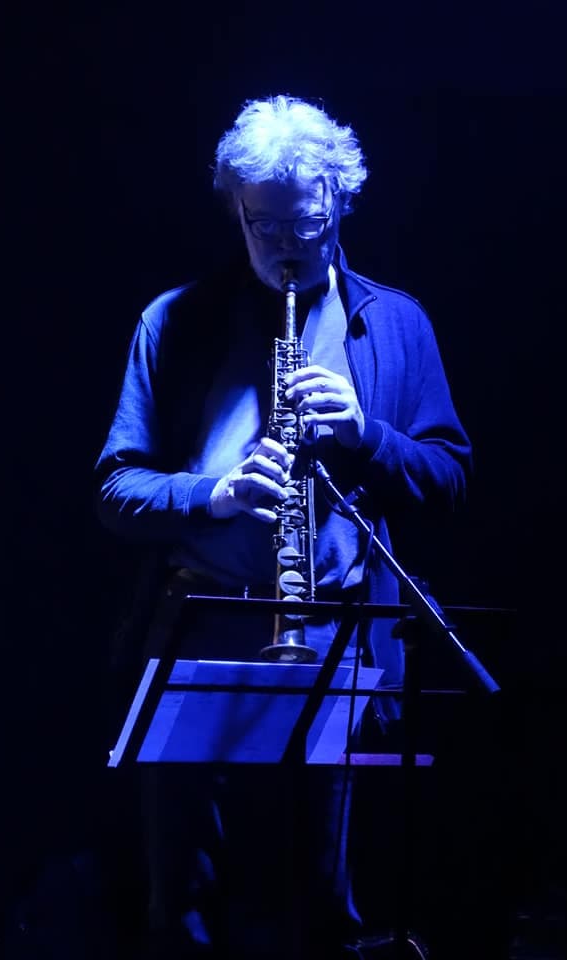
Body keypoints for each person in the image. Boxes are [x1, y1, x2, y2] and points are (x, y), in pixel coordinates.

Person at [94, 94, 472, 960]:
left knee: (326, 910)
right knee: (182, 914)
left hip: (339, 638)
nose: (283, 247)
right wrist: (213, 495)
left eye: (303, 222)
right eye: (260, 224)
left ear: (340, 200)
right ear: (235, 208)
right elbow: (115, 491)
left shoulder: (397, 325)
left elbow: (451, 479)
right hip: (200, 629)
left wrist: (367, 437)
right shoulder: (174, 321)